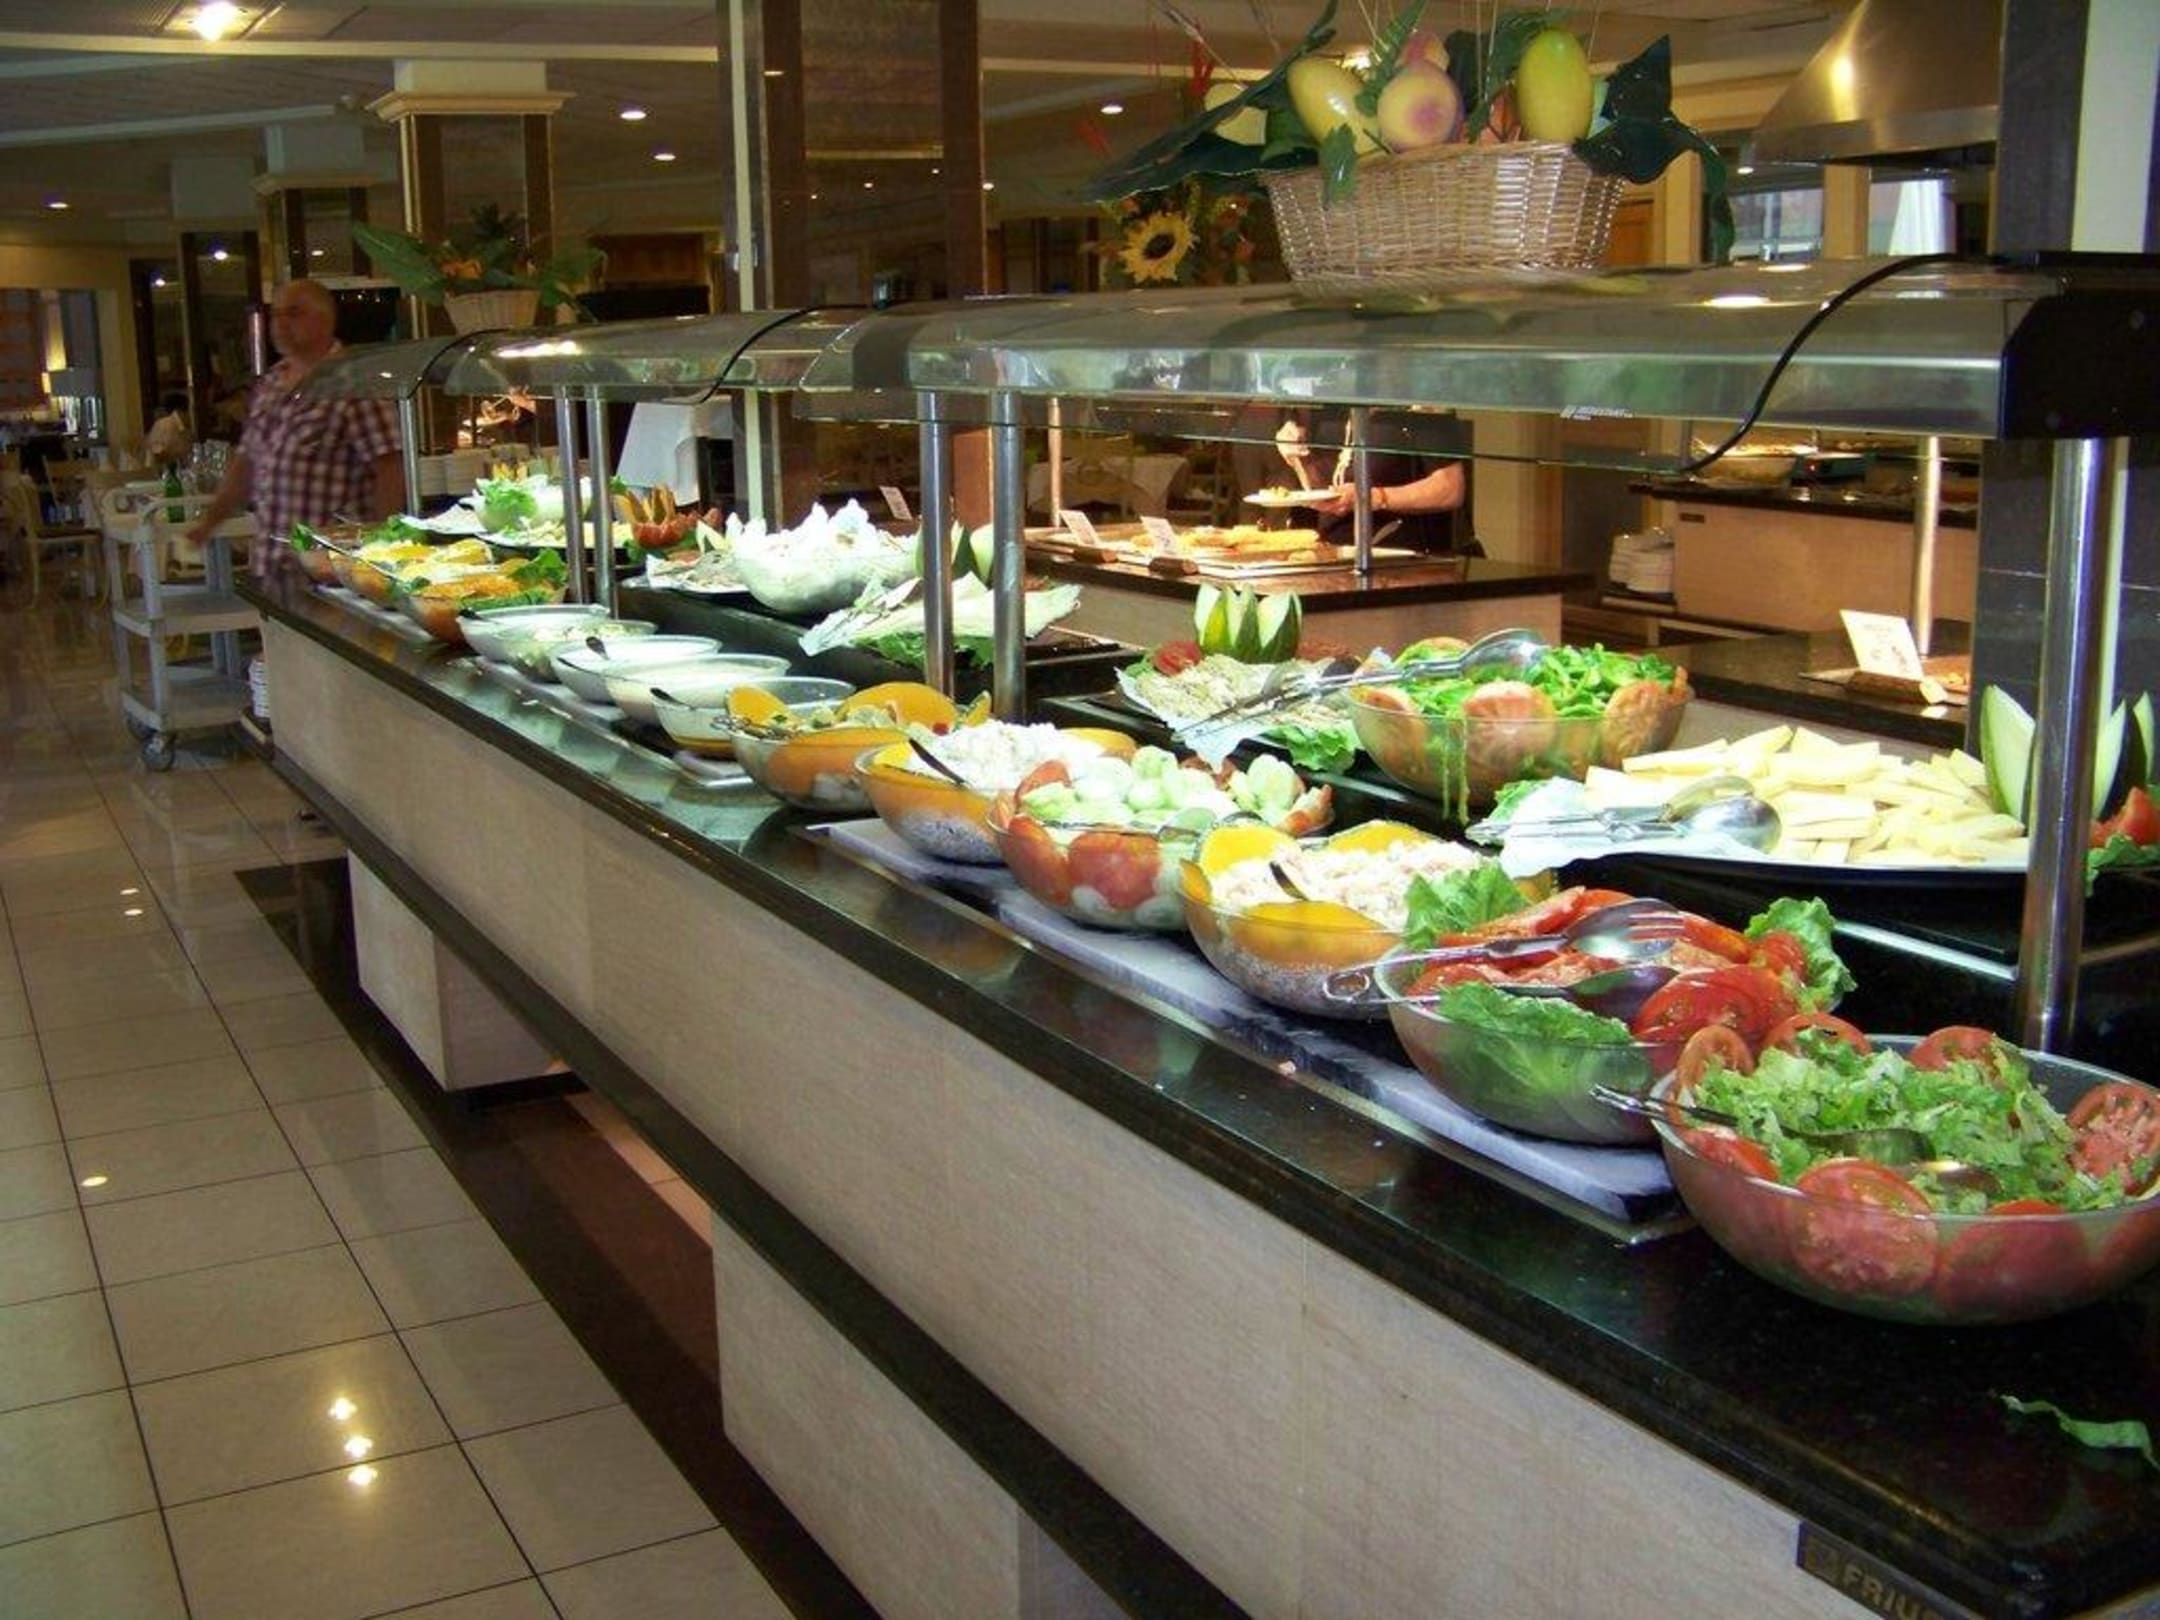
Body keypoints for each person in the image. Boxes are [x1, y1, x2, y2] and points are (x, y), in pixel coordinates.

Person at [186, 279, 404, 579]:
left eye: (294, 313)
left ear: (326, 320)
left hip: (331, 571)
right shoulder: (270, 382)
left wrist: (382, 549)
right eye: (276, 315)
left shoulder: (354, 383)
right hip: (271, 565)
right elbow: (246, 463)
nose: (280, 324)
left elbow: (389, 467)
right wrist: (209, 523)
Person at [1274, 410, 1478, 556]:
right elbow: (1326, 492)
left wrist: (1373, 498)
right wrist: (1297, 457)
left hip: (1403, 556)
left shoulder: (1419, 407)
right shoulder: (1327, 412)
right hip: (1335, 553)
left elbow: (1450, 489)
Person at [143, 392, 193, 470]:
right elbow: (156, 453)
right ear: (180, 411)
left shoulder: (183, 429)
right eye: (190, 410)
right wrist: (175, 456)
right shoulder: (163, 426)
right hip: (163, 473)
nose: (190, 415)